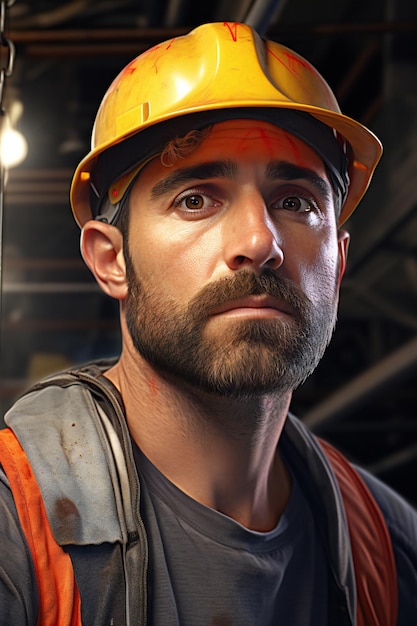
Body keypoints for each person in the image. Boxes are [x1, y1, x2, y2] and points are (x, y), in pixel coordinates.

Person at [0, 21, 416, 626]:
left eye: (296, 202)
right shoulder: (16, 527)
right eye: (196, 198)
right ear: (111, 260)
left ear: (340, 261)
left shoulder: (387, 548)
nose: (258, 242)